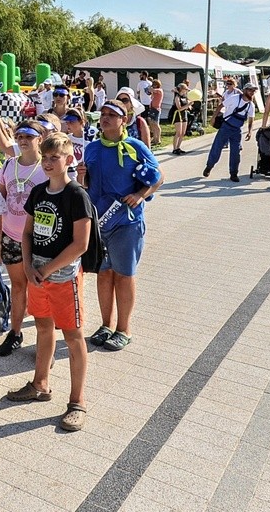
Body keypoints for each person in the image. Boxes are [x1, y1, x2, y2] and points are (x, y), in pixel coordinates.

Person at [6, 132, 91, 431]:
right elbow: (27, 232)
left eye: (55, 157)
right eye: (45, 157)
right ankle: (40, 384)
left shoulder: (76, 195)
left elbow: (80, 244)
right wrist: (28, 266)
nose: (49, 162)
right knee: (43, 328)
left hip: (64, 279)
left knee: (73, 336)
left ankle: (77, 401)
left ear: (70, 159)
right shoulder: (39, 191)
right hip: (38, 277)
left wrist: (50, 268)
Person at [81, 100, 163, 351]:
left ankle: (124, 329)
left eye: (112, 115)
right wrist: (82, 178)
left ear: (123, 120)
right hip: (98, 221)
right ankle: (106, 324)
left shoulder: (135, 146)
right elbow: (87, 185)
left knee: (124, 275)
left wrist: (140, 195)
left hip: (126, 222)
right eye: (102, 114)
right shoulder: (92, 148)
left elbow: (158, 177)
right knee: (104, 273)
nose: (105, 118)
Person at [0, 121, 48, 357]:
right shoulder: (8, 165)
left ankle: (44, 340)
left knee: (40, 290)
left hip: (38, 240)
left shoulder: (46, 167)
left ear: (40, 138)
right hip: (11, 236)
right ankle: (15, 333)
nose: (23, 140)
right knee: (18, 286)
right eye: (19, 135)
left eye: (28, 135)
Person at [203, 83, 257, 183]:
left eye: (254, 91)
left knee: (235, 152)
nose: (252, 92)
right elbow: (220, 106)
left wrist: (250, 132)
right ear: (245, 90)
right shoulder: (235, 98)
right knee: (217, 148)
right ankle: (209, 166)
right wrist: (213, 118)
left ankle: (233, 174)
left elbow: (251, 120)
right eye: (250, 90)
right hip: (225, 127)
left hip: (237, 130)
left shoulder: (251, 105)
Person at [168, 83, 191, 154]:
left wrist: (189, 106)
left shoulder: (185, 96)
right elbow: (179, 108)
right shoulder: (177, 97)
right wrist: (188, 105)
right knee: (178, 133)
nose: (186, 91)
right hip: (178, 115)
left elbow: (186, 105)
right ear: (181, 89)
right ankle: (174, 149)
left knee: (183, 133)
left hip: (184, 114)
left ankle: (178, 147)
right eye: (185, 89)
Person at [148, 79, 164, 147]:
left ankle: (158, 139)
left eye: (154, 84)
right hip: (152, 108)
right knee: (152, 123)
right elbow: (150, 94)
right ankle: (155, 138)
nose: (153, 86)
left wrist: (149, 86)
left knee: (156, 124)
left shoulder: (159, 90)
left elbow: (151, 90)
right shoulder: (155, 92)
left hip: (156, 109)